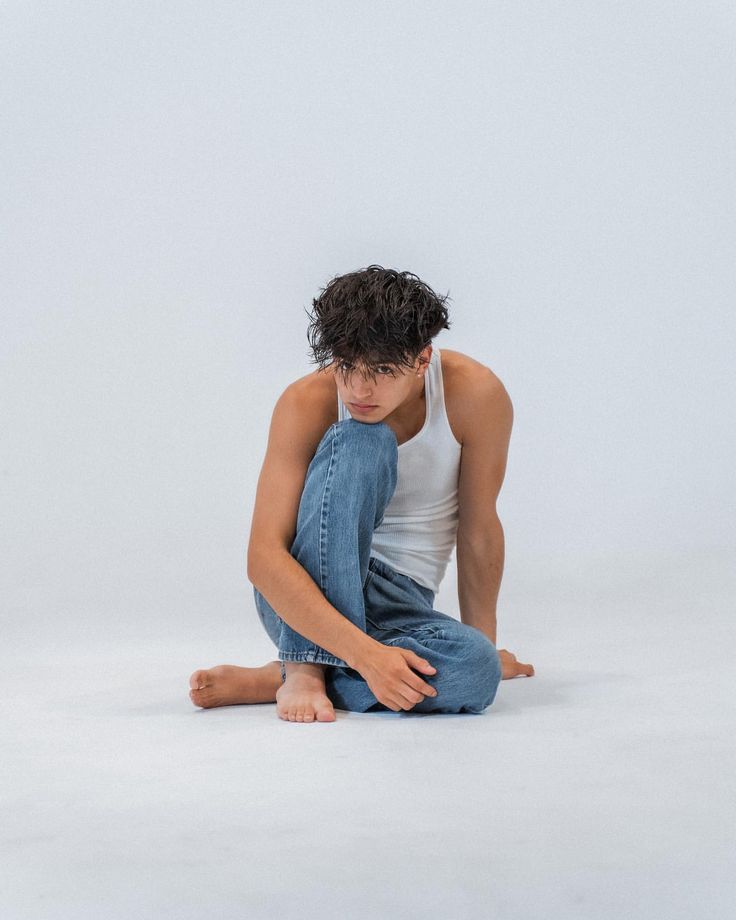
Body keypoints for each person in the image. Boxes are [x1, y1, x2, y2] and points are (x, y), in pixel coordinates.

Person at [189, 264, 534, 722]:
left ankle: (278, 678)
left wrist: (484, 644)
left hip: (401, 605)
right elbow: (264, 556)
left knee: (476, 671)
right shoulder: (305, 402)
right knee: (362, 439)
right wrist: (369, 658)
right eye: (346, 365)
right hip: (301, 593)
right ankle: (304, 669)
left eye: (382, 370)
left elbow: (479, 529)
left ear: (423, 359)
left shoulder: (475, 395)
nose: (358, 389)